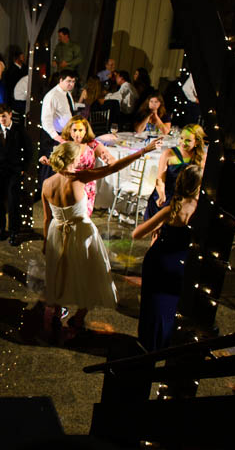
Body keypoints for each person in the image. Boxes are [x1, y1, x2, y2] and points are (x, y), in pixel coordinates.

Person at [41, 138, 162, 334]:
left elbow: (47, 218)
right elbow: (113, 168)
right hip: (81, 233)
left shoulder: (47, 183)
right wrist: (143, 151)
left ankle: (56, 313)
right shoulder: (79, 178)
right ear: (74, 159)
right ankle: (79, 317)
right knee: (90, 275)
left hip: (57, 231)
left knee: (60, 274)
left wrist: (46, 241)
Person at [133, 165, 202, 351]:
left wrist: (159, 229)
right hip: (181, 264)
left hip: (159, 260)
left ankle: (147, 344)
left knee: (152, 305)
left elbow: (137, 234)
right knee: (171, 307)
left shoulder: (172, 209)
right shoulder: (201, 212)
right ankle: (164, 344)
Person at [40, 115, 117, 216]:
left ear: (85, 131)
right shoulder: (65, 145)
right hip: (69, 185)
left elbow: (109, 157)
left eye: (80, 130)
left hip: (86, 187)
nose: (77, 133)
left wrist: (108, 159)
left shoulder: (92, 144)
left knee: (83, 217)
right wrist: (48, 161)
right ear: (70, 131)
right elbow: (58, 163)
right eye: (74, 130)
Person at [0, 104, 32, 246]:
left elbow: (29, 150)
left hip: (14, 171)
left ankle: (14, 231)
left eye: (4, 116)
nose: (1, 119)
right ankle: (0, 228)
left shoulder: (19, 130)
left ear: (10, 114)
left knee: (13, 202)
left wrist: (23, 168)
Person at [144, 124, 206, 221]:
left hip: (185, 200)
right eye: (181, 138)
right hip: (166, 196)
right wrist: (161, 194)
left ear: (197, 142)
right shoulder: (169, 153)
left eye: (188, 140)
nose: (183, 142)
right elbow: (160, 179)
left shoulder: (202, 158)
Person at [39, 69, 78, 188]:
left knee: (61, 168)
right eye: (68, 81)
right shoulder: (52, 95)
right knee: (51, 168)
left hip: (65, 135)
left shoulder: (67, 94)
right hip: (54, 137)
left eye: (73, 81)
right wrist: (57, 137)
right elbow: (46, 120)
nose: (71, 84)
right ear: (61, 80)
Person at [3, 47, 27, 122]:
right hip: (14, 99)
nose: (23, 58)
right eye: (22, 56)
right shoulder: (11, 71)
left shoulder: (25, 68)